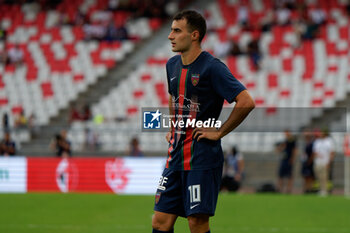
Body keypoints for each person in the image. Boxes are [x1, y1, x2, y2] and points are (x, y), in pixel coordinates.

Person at [152, 10, 255, 233]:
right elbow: (173, 96)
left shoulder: (212, 67)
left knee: (196, 222)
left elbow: (246, 101)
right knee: (160, 221)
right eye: (171, 30)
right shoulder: (171, 65)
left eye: (177, 31)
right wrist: (173, 127)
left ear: (194, 35)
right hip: (175, 155)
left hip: (202, 157)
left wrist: (219, 132)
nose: (170, 36)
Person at [312, 129, 335, 196]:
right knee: (318, 177)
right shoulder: (317, 141)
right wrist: (318, 155)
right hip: (317, 162)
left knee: (324, 177)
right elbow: (314, 151)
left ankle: (325, 190)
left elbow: (332, 152)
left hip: (325, 162)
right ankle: (320, 189)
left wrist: (329, 161)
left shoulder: (329, 141)